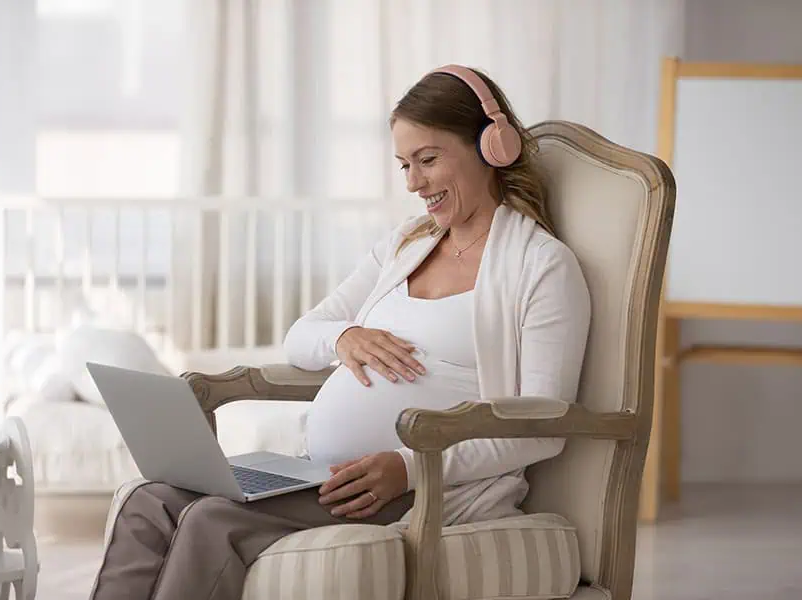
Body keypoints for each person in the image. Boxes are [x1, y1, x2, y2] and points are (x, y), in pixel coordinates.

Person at [88, 64, 591, 600]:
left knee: (211, 519)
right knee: (150, 499)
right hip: (318, 470)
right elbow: (301, 338)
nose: (414, 183)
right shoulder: (406, 245)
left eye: (427, 160)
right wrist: (344, 337)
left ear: (491, 148)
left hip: (409, 489)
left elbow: (542, 423)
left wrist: (409, 468)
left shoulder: (541, 267)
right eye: (403, 165)